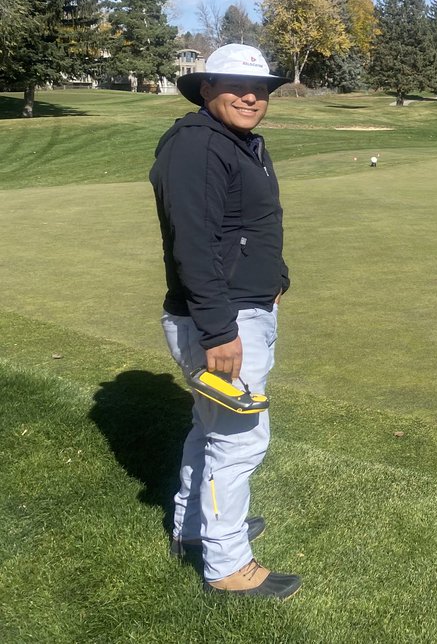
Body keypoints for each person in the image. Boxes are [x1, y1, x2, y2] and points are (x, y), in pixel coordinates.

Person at [149, 43, 300, 599]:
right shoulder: (197, 145)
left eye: (259, 89)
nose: (250, 97)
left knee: (210, 429)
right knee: (239, 441)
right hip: (221, 319)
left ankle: (195, 527)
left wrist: (276, 280)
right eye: (236, 86)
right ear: (207, 88)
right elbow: (192, 241)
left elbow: (253, 223)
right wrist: (218, 329)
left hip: (241, 308)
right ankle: (227, 564)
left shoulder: (237, 141)